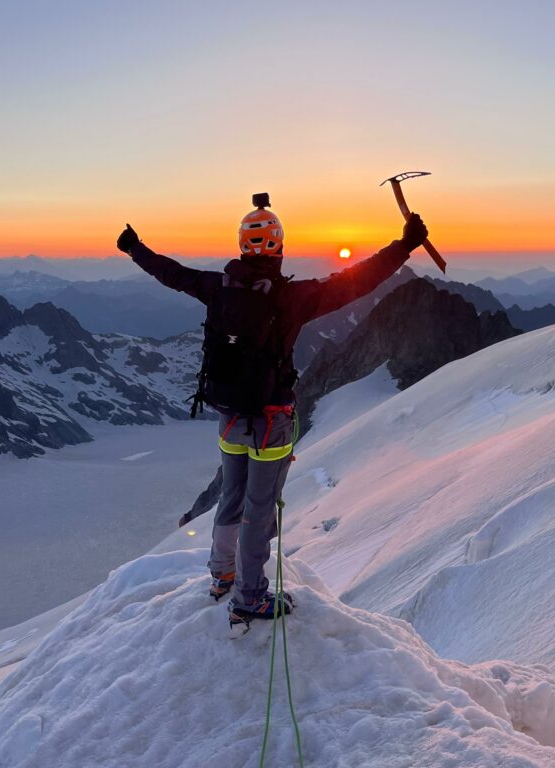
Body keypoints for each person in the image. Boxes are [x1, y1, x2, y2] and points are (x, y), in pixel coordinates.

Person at [117, 195, 428, 629]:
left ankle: (222, 574)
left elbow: (172, 274)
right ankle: (249, 597)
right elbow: (359, 280)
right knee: (259, 509)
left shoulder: (216, 287)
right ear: (279, 247)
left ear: (242, 246)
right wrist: (405, 245)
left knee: (231, 495)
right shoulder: (293, 298)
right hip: (272, 421)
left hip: (228, 417)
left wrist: (135, 248)